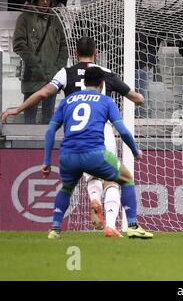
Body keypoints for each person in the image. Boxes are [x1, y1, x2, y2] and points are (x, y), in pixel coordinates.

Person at [2, 37, 144, 237]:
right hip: (102, 129)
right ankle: (112, 225)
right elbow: (135, 97)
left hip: (75, 135)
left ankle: (88, 203)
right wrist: (140, 100)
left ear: (75, 53)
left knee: (88, 177)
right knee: (113, 179)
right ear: (96, 52)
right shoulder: (106, 74)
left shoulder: (65, 73)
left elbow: (43, 94)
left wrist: (19, 109)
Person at [43, 67, 153, 239]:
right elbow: (123, 131)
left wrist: (46, 161)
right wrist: (135, 150)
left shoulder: (68, 100)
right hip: (95, 153)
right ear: (102, 83)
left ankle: (55, 229)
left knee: (67, 188)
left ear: (84, 82)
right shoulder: (106, 101)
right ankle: (132, 225)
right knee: (125, 178)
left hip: (68, 155)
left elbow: (50, 131)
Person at [13, 0, 68, 124]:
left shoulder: (56, 19)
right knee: (29, 118)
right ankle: (27, 145)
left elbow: (64, 46)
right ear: (36, 0)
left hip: (51, 77)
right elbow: (18, 44)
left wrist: (57, 68)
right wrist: (35, 65)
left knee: (49, 120)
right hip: (32, 76)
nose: (45, 2)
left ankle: (47, 146)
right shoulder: (25, 18)